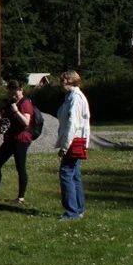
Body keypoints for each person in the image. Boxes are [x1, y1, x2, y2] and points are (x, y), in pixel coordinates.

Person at [0, 79, 34, 204]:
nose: (13, 96)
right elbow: (5, 119)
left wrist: (16, 110)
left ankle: (21, 197)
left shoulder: (25, 103)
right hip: (10, 138)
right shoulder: (11, 102)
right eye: (11, 93)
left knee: (20, 167)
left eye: (15, 93)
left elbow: (26, 122)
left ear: (21, 90)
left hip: (21, 139)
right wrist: (2, 109)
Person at [56, 70, 91, 221]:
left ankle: (71, 212)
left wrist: (65, 146)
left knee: (66, 173)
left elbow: (73, 124)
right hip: (76, 140)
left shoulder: (75, 98)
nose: (61, 83)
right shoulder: (71, 97)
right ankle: (79, 208)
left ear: (71, 81)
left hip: (74, 140)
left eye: (63, 80)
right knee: (74, 174)